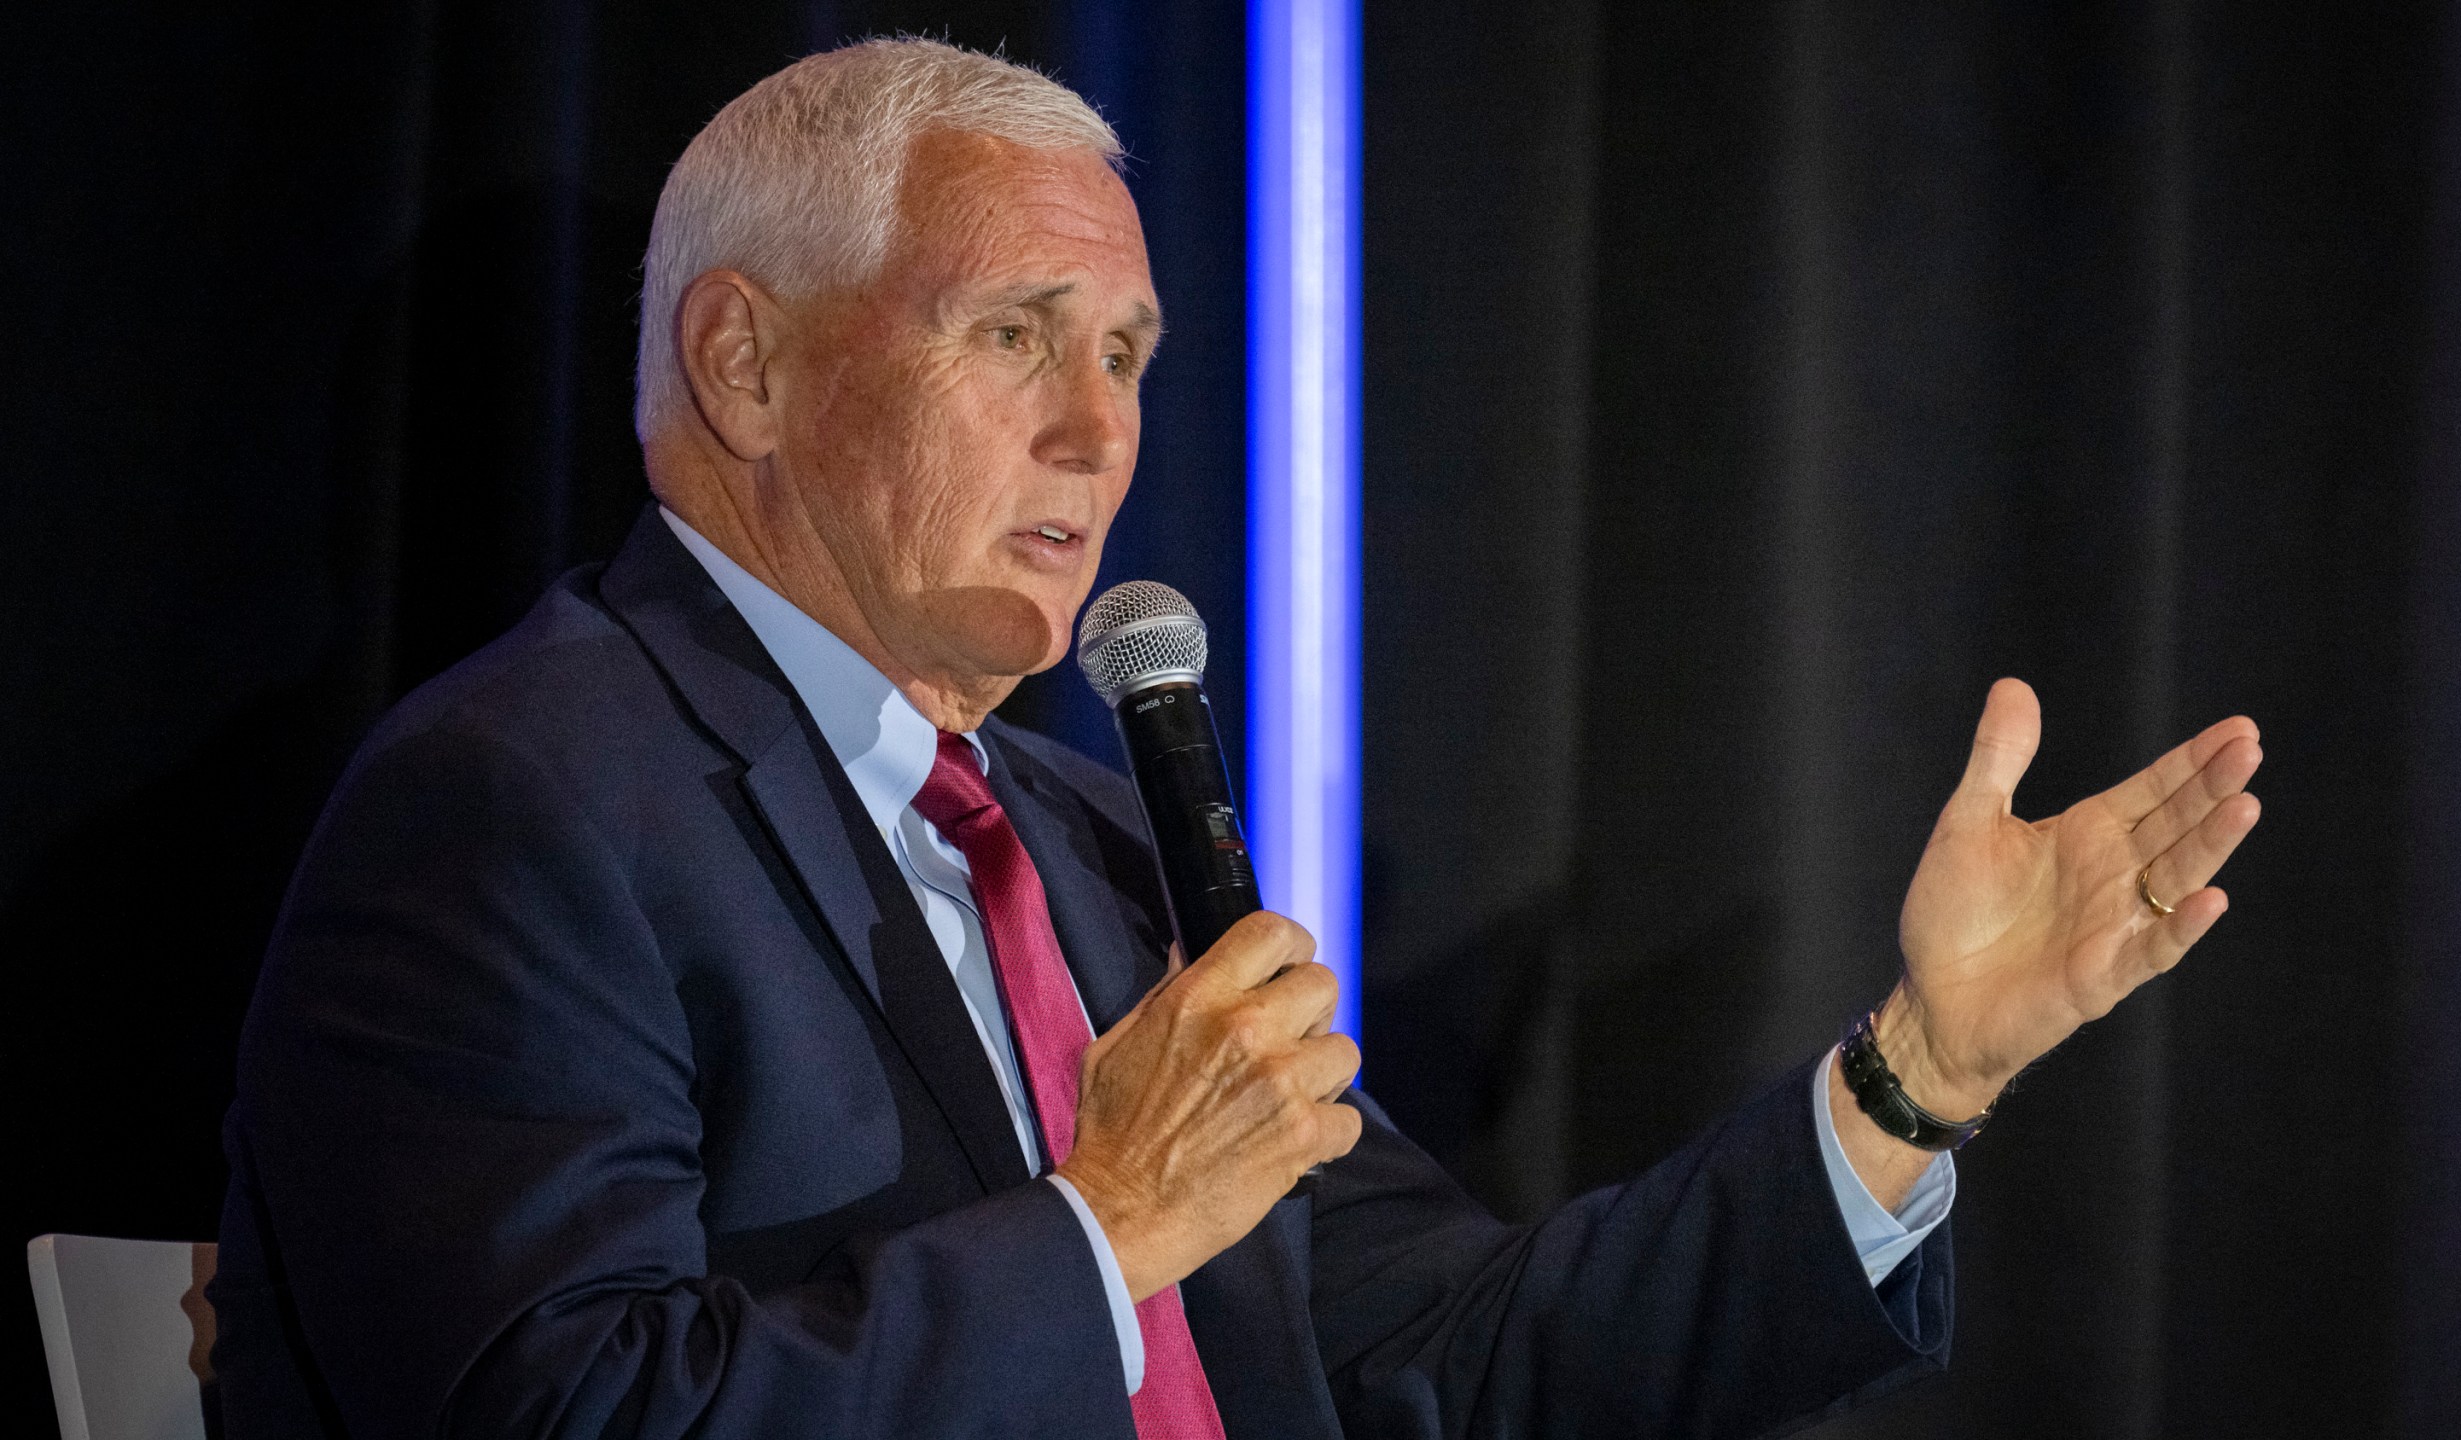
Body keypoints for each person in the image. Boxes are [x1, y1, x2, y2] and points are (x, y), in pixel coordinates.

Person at [209, 38, 2264, 1440]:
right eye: (1009, 333)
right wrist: (1108, 1231)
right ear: (742, 364)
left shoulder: (1096, 848)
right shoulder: (516, 804)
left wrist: (1915, 1083)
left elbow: (1445, 1358)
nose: (1099, 434)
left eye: (1124, 355)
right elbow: (571, 1417)